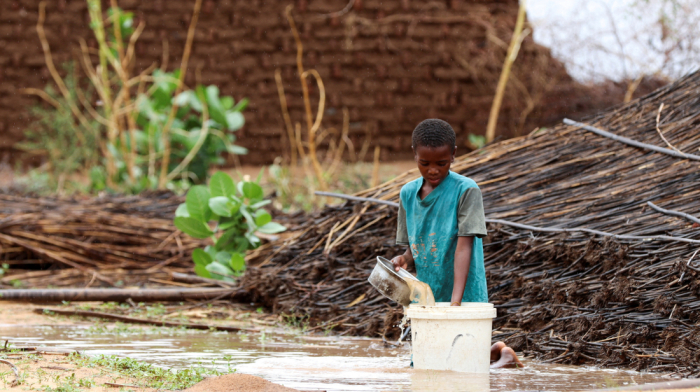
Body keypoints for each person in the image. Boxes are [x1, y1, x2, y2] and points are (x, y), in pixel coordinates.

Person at [390, 118, 523, 369]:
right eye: (424, 163)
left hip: (463, 289)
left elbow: (464, 246)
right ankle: (495, 353)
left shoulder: (466, 190)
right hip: (430, 290)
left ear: (453, 155)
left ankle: (502, 358)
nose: (432, 170)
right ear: (414, 155)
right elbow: (416, 246)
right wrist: (403, 259)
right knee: (427, 364)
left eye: (441, 163)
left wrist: (455, 304)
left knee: (461, 367)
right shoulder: (408, 193)